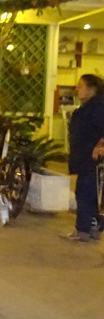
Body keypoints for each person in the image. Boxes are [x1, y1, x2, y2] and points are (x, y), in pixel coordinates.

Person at [66, 74, 104, 241]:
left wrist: (101, 144)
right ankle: (93, 228)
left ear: (92, 89)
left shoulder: (98, 107)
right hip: (85, 157)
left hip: (93, 159)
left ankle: (82, 230)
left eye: (80, 86)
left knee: (85, 193)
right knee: (93, 194)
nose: (77, 89)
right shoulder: (89, 106)